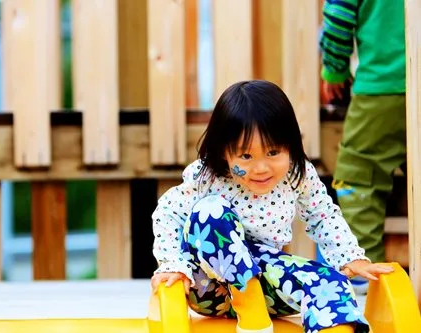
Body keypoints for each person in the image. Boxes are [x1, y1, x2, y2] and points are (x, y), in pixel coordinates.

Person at [150, 80, 393, 333]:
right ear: (225, 152)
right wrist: (172, 264)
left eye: (273, 152)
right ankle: (248, 303)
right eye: (246, 156)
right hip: (208, 287)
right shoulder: (209, 176)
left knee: (329, 280)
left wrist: (350, 257)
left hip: (268, 285)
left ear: (290, 144)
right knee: (210, 211)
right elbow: (169, 212)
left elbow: (322, 216)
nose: (261, 168)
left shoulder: (297, 174)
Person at [319, 0, 406, 295]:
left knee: (359, 176)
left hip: (384, 84)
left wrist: (335, 71)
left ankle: (364, 281)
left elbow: (339, 16)